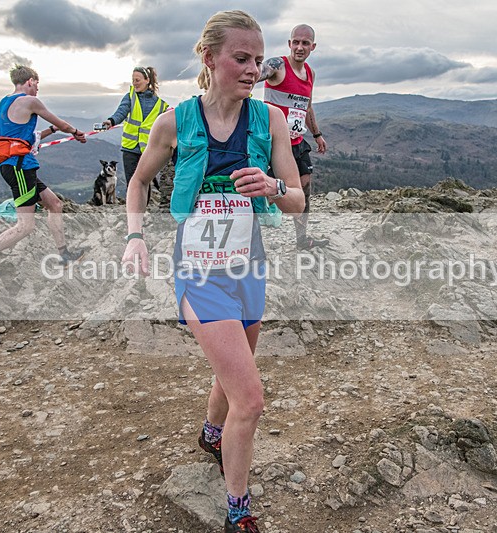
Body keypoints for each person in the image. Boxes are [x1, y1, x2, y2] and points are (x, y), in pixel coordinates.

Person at [120, 10, 304, 532]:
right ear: (209, 58)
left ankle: (210, 433)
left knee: (237, 364)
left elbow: (296, 202)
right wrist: (135, 236)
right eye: (240, 59)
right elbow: (137, 183)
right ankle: (237, 510)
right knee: (251, 397)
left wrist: (272, 187)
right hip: (198, 271)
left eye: (257, 60)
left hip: (249, 267)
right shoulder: (176, 120)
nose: (252, 70)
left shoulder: (268, 121)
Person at [0, 65, 86, 289]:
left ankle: (64, 254)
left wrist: (52, 132)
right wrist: (76, 133)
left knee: (55, 204)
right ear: (29, 81)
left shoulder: (5, 101)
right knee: (25, 226)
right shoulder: (30, 101)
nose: (38, 88)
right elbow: (62, 123)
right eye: (37, 83)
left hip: (18, 164)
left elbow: (24, 135)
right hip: (19, 167)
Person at [259, 24, 329, 250]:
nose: (300, 47)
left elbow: (306, 106)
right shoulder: (277, 66)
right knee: (261, 190)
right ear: (289, 44)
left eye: (305, 43)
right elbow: (253, 75)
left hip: (297, 141)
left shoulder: (310, 73)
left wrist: (317, 134)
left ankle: (302, 239)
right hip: (272, 142)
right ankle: (247, 240)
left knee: (304, 187)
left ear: (313, 47)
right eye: (295, 42)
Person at [102, 66, 169, 203]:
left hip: (149, 149)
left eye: (137, 80)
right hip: (130, 149)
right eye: (133, 80)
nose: (135, 83)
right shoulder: (130, 97)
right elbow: (121, 111)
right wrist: (111, 121)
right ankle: (133, 213)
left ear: (147, 80)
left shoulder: (160, 104)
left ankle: (143, 210)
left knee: (145, 181)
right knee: (133, 182)